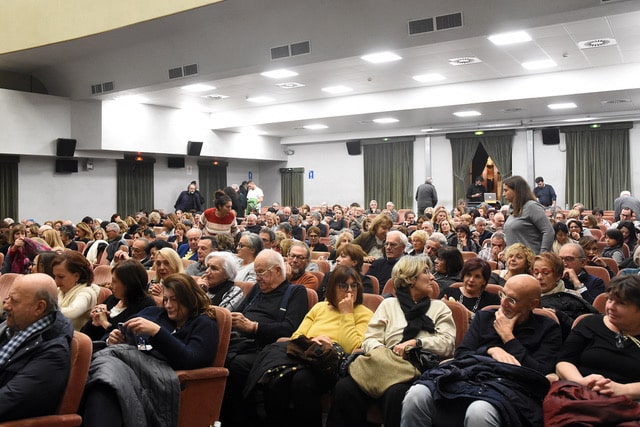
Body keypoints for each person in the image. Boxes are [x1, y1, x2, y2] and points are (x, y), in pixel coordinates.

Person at [402, 274, 563, 427]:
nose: (503, 303)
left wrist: (508, 338)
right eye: (502, 295)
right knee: (417, 393)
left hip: (510, 387)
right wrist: (491, 350)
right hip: (470, 377)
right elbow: (461, 355)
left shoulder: (548, 329)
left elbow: (539, 373)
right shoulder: (485, 317)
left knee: (479, 410)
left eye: (512, 300)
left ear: (532, 304)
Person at [330, 256, 456, 427]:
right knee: (345, 387)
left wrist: (416, 343)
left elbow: (447, 344)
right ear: (410, 279)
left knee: (396, 394)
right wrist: (383, 354)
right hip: (382, 363)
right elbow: (371, 338)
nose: (433, 277)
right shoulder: (388, 305)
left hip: (415, 367)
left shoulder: (439, 308)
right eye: (426, 272)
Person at [82, 273, 219, 427]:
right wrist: (119, 339)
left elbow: (191, 359)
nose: (168, 305)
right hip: (129, 364)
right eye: (166, 299)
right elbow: (142, 346)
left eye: (174, 299)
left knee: (104, 381)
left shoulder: (204, 323)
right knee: (102, 383)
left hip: (158, 375)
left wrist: (157, 333)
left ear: (189, 298)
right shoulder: (155, 313)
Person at [249, 265, 373, 427]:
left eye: (354, 285)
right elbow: (296, 337)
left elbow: (352, 347)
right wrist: (314, 339)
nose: (349, 290)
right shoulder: (320, 307)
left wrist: (347, 314)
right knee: (276, 380)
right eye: (343, 285)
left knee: (302, 380)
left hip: (333, 364)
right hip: (305, 355)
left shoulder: (364, 313)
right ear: (332, 287)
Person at [220, 250, 308, 427]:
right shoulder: (256, 290)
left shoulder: (296, 292)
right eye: (255, 272)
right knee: (217, 355)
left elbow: (291, 329)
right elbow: (241, 311)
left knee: (236, 364)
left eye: (260, 272)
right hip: (241, 342)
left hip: (269, 349)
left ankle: (245, 419)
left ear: (276, 270)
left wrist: (254, 327)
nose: (257, 277)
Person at [548, 275, 640, 425]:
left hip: (631, 403)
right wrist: (580, 381)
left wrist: (623, 389)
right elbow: (563, 362)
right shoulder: (589, 324)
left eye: (621, 303)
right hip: (580, 396)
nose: (610, 307)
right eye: (610, 299)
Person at [0, 273, 74, 422]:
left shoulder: (53, 353)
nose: (6, 305)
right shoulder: (14, 325)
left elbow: (8, 400)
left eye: (13, 301)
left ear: (39, 308)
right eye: (8, 298)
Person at [80, 260, 156, 341]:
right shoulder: (113, 299)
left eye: (114, 281)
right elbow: (85, 336)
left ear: (129, 284)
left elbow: (133, 339)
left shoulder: (146, 305)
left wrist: (105, 323)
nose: (110, 285)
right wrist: (94, 322)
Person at [534, 252, 598, 339]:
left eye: (545, 272)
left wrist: (558, 315)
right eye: (536, 272)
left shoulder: (572, 297)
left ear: (558, 276)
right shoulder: (525, 296)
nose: (539, 277)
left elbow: (580, 330)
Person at [503, 175, 554, 254]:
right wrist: (505, 251)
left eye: (506, 190)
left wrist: (542, 256)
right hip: (515, 261)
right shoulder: (513, 211)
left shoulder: (531, 207)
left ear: (516, 191)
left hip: (532, 261)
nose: (503, 194)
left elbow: (548, 231)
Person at [440, 258, 501, 322]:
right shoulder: (448, 293)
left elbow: (491, 325)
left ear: (484, 281)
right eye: (468, 275)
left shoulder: (492, 300)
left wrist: (470, 315)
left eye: (477, 277)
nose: (471, 280)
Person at [52, 251, 100, 331]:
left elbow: (71, 313)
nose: (56, 281)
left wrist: (44, 310)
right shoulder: (59, 291)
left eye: (61, 277)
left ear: (76, 276)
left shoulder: (86, 293)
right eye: (55, 276)